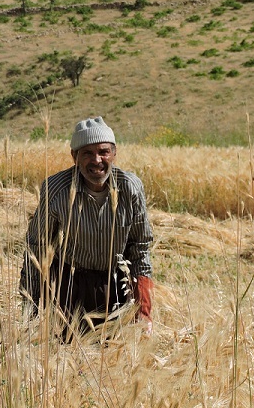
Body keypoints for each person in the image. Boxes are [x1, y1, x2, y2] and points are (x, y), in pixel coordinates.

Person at [20, 116, 155, 335]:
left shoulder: (130, 188)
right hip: (69, 287)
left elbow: (140, 248)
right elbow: (37, 247)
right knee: (66, 355)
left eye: (103, 152)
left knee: (115, 358)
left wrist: (144, 311)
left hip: (117, 287)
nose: (97, 160)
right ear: (74, 157)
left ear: (114, 153)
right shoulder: (56, 190)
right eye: (87, 153)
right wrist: (32, 308)